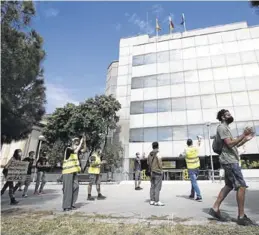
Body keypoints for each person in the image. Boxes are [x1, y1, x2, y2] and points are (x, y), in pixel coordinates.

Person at [209, 109, 255, 226]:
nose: (230, 115)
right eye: (228, 114)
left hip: (230, 159)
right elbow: (230, 143)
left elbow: (233, 144)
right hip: (230, 161)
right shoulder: (222, 128)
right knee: (241, 186)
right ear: (223, 117)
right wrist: (243, 134)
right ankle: (241, 216)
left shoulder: (227, 128)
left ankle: (215, 208)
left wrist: (245, 139)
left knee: (229, 185)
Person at [62, 136, 86, 211]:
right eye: (76, 143)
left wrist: (84, 142)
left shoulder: (76, 151)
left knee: (76, 187)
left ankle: (71, 204)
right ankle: (66, 206)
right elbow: (75, 151)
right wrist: (81, 143)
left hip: (74, 171)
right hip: (67, 172)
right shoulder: (68, 149)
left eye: (78, 143)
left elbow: (83, 150)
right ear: (72, 143)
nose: (77, 145)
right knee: (68, 189)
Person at [181, 137, 202, 202]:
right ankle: (192, 194)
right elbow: (199, 144)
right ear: (192, 143)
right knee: (193, 181)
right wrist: (199, 139)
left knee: (194, 182)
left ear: (187, 144)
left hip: (191, 168)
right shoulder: (195, 148)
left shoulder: (186, 150)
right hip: (197, 168)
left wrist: (180, 155)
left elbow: (182, 155)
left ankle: (199, 196)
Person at [147, 142, 164, 206]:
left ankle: (152, 200)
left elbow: (148, 163)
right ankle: (157, 201)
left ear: (152, 146)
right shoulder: (158, 154)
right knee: (157, 187)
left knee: (152, 186)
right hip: (158, 172)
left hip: (151, 172)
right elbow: (160, 163)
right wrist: (161, 169)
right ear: (158, 146)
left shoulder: (150, 154)